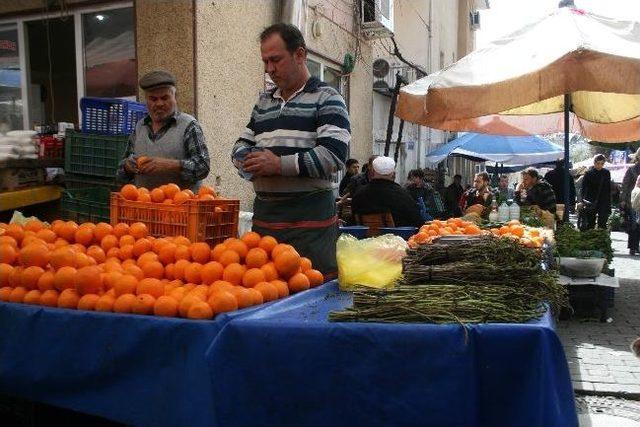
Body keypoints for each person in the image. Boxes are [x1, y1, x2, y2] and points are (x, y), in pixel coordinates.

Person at [231, 23, 350, 276]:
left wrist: (278, 165)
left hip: (310, 224)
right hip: (265, 223)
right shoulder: (264, 102)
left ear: (300, 55)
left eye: (276, 60)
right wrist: (247, 162)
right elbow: (241, 146)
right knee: (265, 290)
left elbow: (335, 155)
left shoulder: (327, 98)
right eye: (265, 61)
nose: (269, 69)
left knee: (310, 289)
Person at [118, 70, 210, 191]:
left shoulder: (189, 125)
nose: (159, 103)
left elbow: (203, 167)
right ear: (146, 101)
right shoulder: (139, 127)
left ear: (175, 98)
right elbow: (120, 174)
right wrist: (127, 167)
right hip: (145, 205)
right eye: (153, 99)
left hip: (181, 205)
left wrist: (171, 165)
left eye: (165, 98)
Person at [351, 157, 423, 227]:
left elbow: (353, 221)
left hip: (364, 238)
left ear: (372, 172)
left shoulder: (359, 194)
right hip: (398, 238)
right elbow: (417, 221)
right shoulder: (402, 195)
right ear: (393, 174)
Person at [578, 154, 611, 230]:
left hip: (603, 201)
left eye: (602, 164)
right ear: (594, 163)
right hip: (590, 201)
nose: (600, 165)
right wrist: (581, 201)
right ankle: (590, 239)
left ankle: (601, 240)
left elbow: (608, 189)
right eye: (598, 163)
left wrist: (608, 205)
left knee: (602, 224)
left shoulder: (606, 173)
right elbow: (583, 188)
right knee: (590, 223)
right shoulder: (588, 173)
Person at [621, 148, 640, 255]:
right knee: (634, 225)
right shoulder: (632, 170)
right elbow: (625, 186)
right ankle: (633, 247)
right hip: (633, 201)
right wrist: (623, 200)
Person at [628, 175, 640, 256]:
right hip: (637, 211)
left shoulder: (635, 189)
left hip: (634, 211)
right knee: (636, 230)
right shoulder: (638, 190)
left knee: (634, 230)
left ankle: (633, 248)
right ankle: (634, 247)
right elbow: (636, 203)